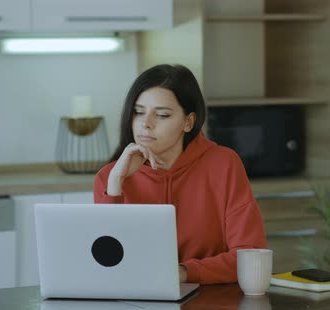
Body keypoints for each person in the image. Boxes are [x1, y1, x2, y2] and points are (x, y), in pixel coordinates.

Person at [93, 64, 267, 285]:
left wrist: (185, 272)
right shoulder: (110, 177)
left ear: (188, 122)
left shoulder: (224, 164)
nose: (146, 124)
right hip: (136, 306)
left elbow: (250, 258)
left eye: (162, 115)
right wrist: (116, 183)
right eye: (138, 112)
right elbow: (104, 264)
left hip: (212, 305)